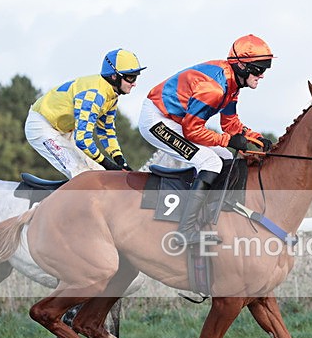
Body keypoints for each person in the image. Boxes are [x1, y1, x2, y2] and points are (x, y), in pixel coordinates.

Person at [138, 34, 275, 247]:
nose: (263, 75)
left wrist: (255, 137)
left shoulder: (232, 83)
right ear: (242, 66)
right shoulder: (214, 89)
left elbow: (230, 123)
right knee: (210, 162)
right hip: (157, 119)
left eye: (265, 68)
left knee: (224, 155)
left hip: (176, 119)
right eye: (259, 69)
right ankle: (184, 231)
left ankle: (211, 213)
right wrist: (227, 140)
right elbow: (192, 131)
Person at [25, 48, 146, 178]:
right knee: (81, 175)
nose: (134, 84)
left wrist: (120, 161)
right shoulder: (93, 95)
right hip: (41, 126)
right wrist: (108, 164)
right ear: (114, 76)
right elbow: (83, 139)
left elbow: (106, 131)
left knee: (101, 173)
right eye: (130, 78)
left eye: (135, 77)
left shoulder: (111, 95)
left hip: (65, 130)